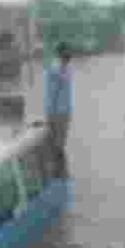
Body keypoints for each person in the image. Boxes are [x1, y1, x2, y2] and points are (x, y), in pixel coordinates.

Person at [43, 42, 74, 176]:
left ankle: (59, 172)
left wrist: (49, 114)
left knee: (57, 145)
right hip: (60, 112)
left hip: (60, 112)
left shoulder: (61, 69)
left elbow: (54, 92)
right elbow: (53, 91)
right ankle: (60, 172)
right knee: (57, 144)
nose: (68, 58)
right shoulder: (60, 69)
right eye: (66, 55)